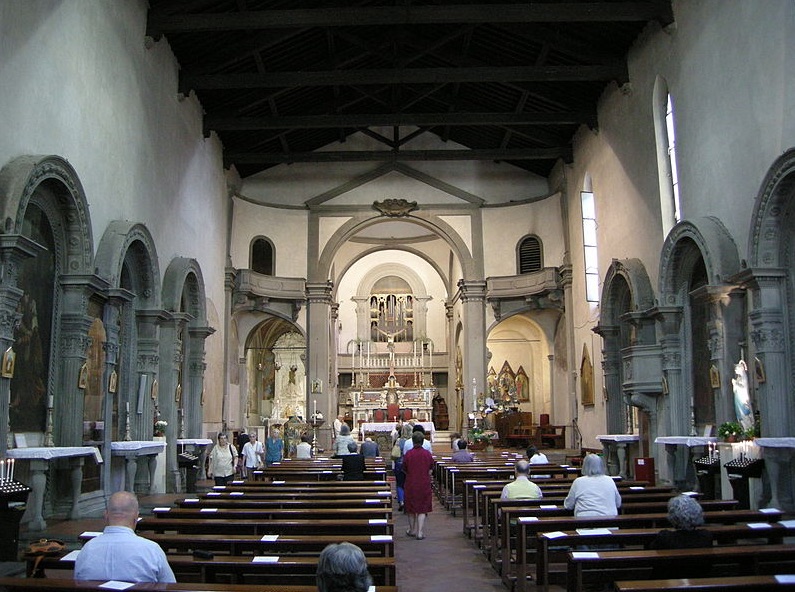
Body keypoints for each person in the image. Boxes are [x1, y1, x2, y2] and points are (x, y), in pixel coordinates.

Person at [74, 491, 176, 583]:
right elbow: (170, 586)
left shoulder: (87, 549)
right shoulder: (151, 549)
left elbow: (77, 582)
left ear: (106, 515)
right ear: (136, 517)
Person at [403, 431, 434, 539]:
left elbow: (404, 468)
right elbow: (431, 468)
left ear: (413, 441)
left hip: (411, 482)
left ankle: (412, 530)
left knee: (411, 508)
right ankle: (420, 532)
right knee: (422, 508)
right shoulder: (427, 454)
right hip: (424, 482)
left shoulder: (408, 454)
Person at [394, 423, 413, 512]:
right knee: (409, 483)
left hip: (399, 463)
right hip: (409, 464)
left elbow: (394, 453)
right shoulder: (412, 442)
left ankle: (401, 501)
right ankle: (409, 501)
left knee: (400, 484)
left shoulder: (398, 440)